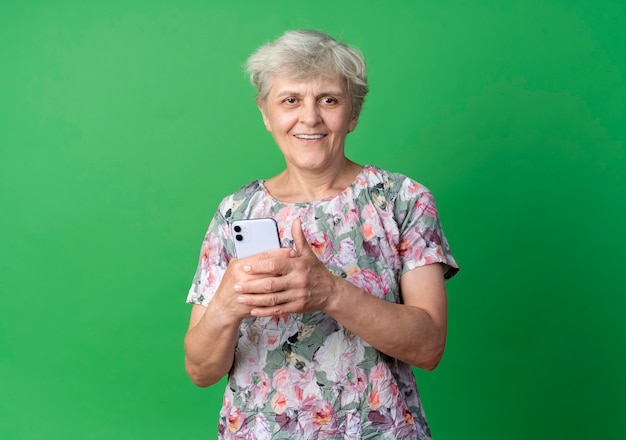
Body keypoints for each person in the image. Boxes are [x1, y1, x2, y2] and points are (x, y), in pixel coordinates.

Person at [184, 29, 459, 440]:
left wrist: (329, 293)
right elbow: (201, 371)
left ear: (354, 113)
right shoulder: (234, 213)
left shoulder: (402, 200)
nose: (309, 117)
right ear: (266, 113)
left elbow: (429, 347)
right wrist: (226, 304)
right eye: (290, 100)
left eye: (328, 100)